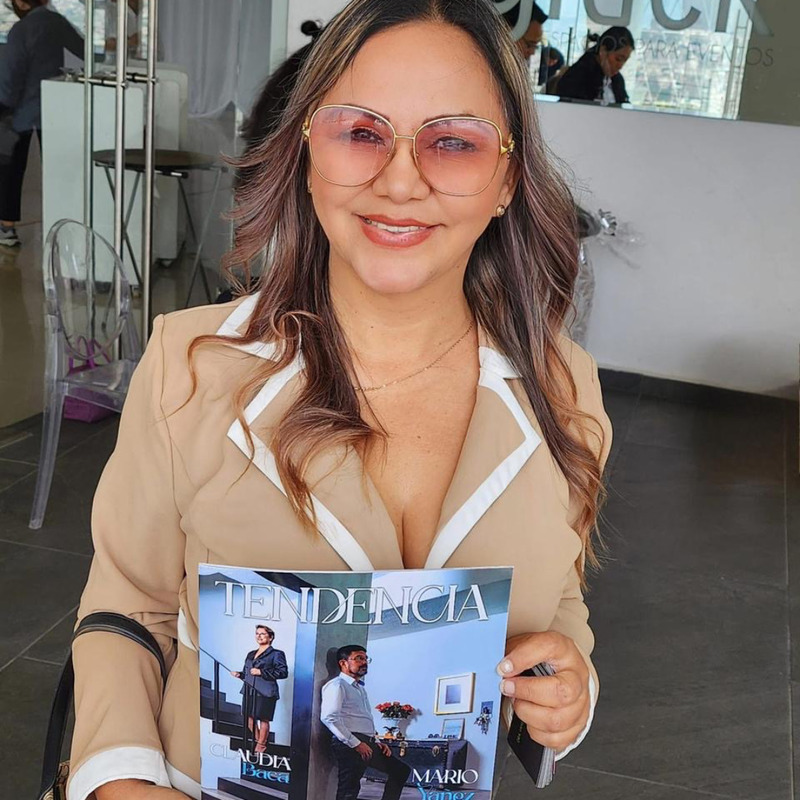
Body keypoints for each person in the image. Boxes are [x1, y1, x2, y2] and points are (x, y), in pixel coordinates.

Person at [67, 1, 613, 799]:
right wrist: (117, 780)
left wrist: (571, 684)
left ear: (507, 178)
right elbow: (128, 606)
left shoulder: (564, 389)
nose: (401, 179)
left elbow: (557, 593)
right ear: (306, 153)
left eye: (453, 142)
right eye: (361, 132)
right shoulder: (192, 365)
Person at [0, 0, 83, 247]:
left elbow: (11, 74)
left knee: (11, 170)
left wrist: (3, 105)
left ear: (21, 3)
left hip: (19, 112)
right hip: (54, 107)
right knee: (58, 169)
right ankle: (63, 226)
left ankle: (6, 227)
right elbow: (84, 51)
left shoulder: (21, 30)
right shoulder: (58, 22)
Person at [321, 645, 410, 800]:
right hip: (349, 742)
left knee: (400, 770)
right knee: (349, 789)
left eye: (365, 658)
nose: (364, 662)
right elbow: (329, 717)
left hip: (367, 741)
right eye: (359, 658)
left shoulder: (360, 688)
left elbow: (364, 718)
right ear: (343, 663)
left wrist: (377, 741)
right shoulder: (337, 685)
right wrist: (355, 744)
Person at [229, 625, 288, 754]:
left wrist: (261, 672)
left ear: (270, 637)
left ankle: (261, 745)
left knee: (263, 718)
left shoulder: (277, 654)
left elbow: (283, 673)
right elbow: (247, 673)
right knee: (248, 718)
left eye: (262, 634)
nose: (259, 636)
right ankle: (259, 740)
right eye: (257, 633)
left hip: (265, 691)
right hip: (249, 690)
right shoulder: (251, 654)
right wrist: (240, 674)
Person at [557, 26, 634, 105]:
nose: (620, 66)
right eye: (618, 59)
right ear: (603, 51)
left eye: (625, 61)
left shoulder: (617, 81)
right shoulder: (576, 78)